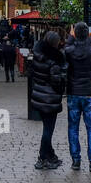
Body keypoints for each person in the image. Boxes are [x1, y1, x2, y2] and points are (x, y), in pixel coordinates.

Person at [63, 22, 91, 171]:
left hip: (74, 92)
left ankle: (75, 160)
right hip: (90, 93)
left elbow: (66, 48)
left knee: (73, 128)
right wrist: (86, 37)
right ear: (87, 34)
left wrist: (71, 37)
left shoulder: (69, 51)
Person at [27, 30, 66, 169]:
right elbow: (57, 82)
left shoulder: (38, 56)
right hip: (50, 98)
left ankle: (50, 155)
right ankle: (42, 157)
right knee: (48, 130)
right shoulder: (55, 60)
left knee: (47, 127)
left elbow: (32, 73)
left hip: (39, 95)